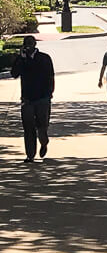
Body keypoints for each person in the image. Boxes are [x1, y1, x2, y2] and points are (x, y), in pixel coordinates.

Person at [11, 35, 55, 163]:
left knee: (42, 126)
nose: (28, 46)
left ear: (35, 44)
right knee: (28, 128)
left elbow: (51, 76)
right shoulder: (21, 60)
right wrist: (20, 59)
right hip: (27, 99)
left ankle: (44, 142)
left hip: (43, 97)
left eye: (30, 44)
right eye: (26, 44)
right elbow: (14, 74)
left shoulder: (44, 58)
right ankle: (30, 155)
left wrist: (50, 93)